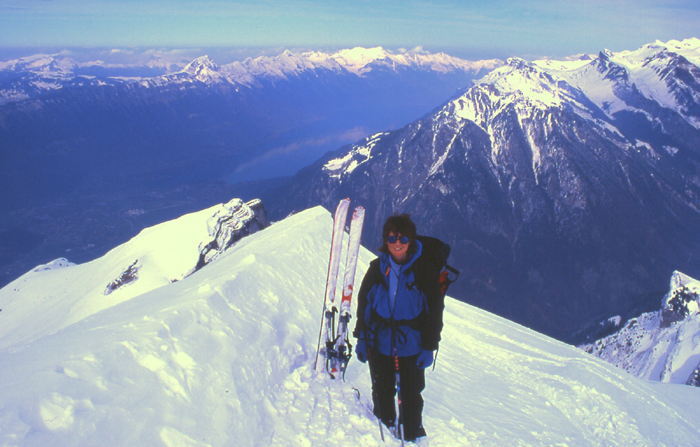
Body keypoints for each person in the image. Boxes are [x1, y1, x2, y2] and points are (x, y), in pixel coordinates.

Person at [353, 213, 445, 443]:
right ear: (385, 239)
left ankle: (412, 434)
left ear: (411, 241)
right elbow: (364, 304)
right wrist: (362, 338)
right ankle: (384, 429)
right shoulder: (377, 268)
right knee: (382, 390)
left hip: (412, 344)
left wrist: (429, 347)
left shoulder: (423, 271)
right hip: (380, 341)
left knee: (411, 394)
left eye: (403, 239)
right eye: (392, 237)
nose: (397, 243)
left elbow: (434, 311)